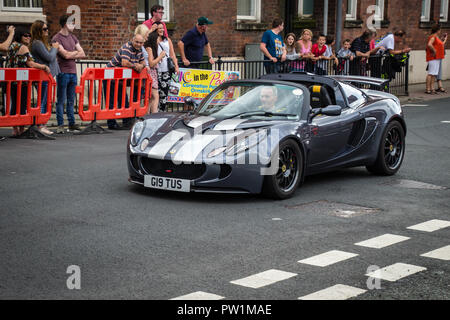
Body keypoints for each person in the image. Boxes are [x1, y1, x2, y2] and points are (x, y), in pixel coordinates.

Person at [6, 26, 50, 137]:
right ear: (20, 36)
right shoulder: (23, 47)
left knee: (14, 104)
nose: (28, 37)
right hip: (22, 81)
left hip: (10, 81)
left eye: (29, 35)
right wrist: (43, 67)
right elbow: (30, 63)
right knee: (22, 104)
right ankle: (20, 129)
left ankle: (15, 129)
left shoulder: (11, 46)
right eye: (25, 35)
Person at [52, 14, 86, 134]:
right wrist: (74, 53)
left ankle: (72, 123)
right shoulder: (56, 38)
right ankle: (60, 124)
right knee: (61, 100)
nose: (74, 25)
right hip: (63, 73)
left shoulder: (73, 37)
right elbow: (65, 55)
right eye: (72, 23)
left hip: (73, 72)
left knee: (71, 100)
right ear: (66, 24)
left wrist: (71, 54)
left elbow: (83, 53)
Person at [105, 34, 146, 129]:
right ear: (132, 40)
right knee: (112, 101)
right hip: (109, 76)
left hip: (120, 79)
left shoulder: (139, 50)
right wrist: (136, 65)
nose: (138, 44)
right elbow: (124, 62)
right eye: (137, 42)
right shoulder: (127, 47)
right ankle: (111, 124)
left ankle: (126, 122)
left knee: (123, 100)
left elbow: (143, 62)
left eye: (141, 43)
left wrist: (141, 66)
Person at [31, 20, 60, 135]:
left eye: (47, 28)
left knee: (45, 100)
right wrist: (55, 48)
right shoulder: (37, 43)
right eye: (44, 29)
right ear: (38, 31)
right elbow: (49, 57)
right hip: (41, 78)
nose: (47, 31)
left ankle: (42, 124)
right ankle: (40, 125)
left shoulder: (41, 43)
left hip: (47, 77)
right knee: (42, 101)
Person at [154, 22, 179, 112]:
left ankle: (162, 111)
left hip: (166, 70)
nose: (161, 30)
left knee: (164, 92)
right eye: (159, 28)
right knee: (156, 93)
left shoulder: (167, 40)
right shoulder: (153, 40)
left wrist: (176, 66)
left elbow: (172, 54)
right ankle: (154, 112)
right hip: (156, 69)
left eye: (162, 28)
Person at [135, 24, 158, 114]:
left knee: (150, 97)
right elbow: (143, 60)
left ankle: (146, 115)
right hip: (145, 73)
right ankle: (146, 116)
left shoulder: (143, 46)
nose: (148, 35)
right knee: (151, 96)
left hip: (146, 73)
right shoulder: (142, 47)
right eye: (147, 33)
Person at [426, 24, 447, 94]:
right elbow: (429, 44)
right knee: (431, 73)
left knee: (434, 74)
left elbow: (441, 45)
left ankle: (432, 88)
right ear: (438, 30)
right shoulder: (433, 37)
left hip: (437, 57)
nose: (440, 31)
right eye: (440, 30)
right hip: (433, 57)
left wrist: (444, 40)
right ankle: (428, 88)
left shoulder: (436, 37)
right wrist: (434, 50)